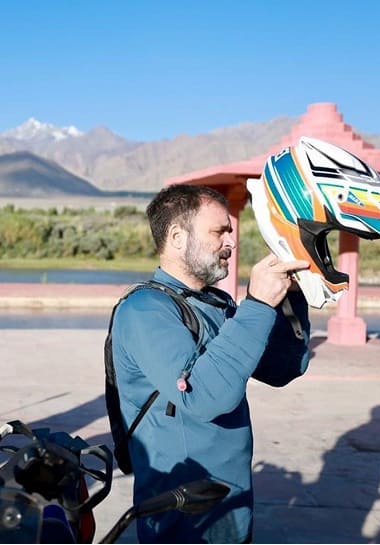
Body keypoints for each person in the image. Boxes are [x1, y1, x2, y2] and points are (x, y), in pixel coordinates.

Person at [110, 184, 312, 543]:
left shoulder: (216, 304)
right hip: (182, 513)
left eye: (230, 233)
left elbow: (281, 369)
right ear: (176, 237)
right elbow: (203, 396)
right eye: (219, 231)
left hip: (232, 503)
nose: (230, 243)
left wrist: (289, 300)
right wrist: (258, 305)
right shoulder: (144, 311)